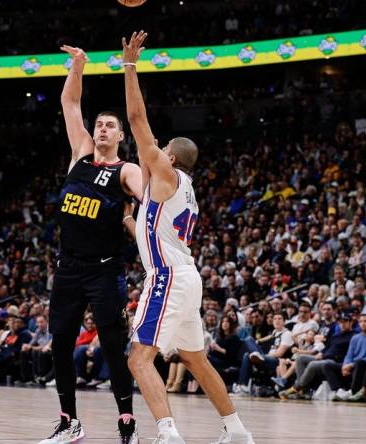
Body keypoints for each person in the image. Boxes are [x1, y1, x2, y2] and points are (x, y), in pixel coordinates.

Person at [122, 31, 253, 444]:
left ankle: (168, 433)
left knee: (138, 360)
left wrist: (129, 67)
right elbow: (150, 230)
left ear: (170, 157)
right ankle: (237, 430)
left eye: (160, 150)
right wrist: (129, 221)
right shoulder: (178, 189)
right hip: (185, 275)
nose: (152, 150)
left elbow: (138, 122)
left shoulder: (167, 174)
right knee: (196, 359)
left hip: (167, 277)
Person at [39, 41, 143, 444]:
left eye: (109, 126)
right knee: (60, 344)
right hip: (68, 267)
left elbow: (144, 198)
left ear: (120, 135)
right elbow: (69, 103)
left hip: (104, 269)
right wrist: (78, 66)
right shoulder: (80, 153)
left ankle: (127, 423)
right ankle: (69, 422)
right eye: (98, 124)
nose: (101, 129)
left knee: (114, 347)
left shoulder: (126, 169)